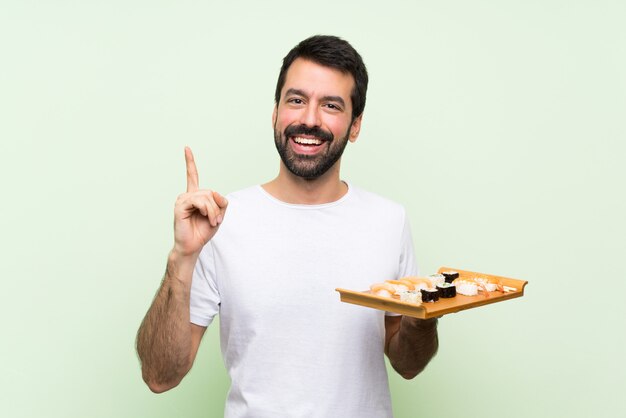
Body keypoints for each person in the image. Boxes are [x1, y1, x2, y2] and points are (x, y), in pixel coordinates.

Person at [136, 35, 439, 418]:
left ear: (356, 125)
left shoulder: (389, 220)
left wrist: (425, 318)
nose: (310, 119)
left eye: (331, 105)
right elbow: (160, 376)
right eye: (296, 100)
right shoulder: (219, 221)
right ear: (276, 111)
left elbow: (407, 364)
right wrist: (181, 258)